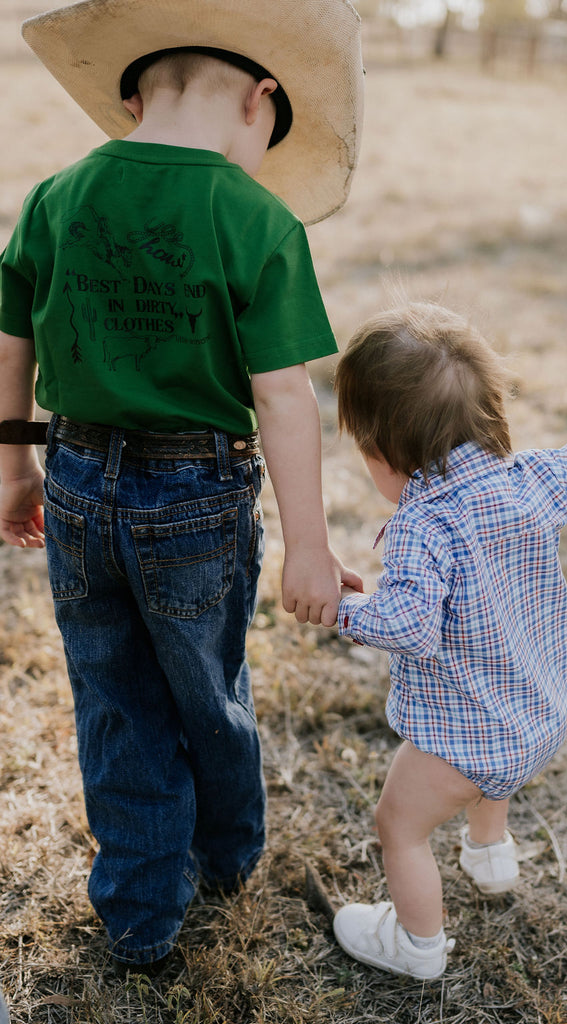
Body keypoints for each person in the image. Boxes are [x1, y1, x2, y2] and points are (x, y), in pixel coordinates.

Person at [0, 0, 363, 974]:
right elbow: (283, 398)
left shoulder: (53, 196)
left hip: (73, 477)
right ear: (260, 99)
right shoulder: (256, 217)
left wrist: (15, 462)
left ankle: (139, 912)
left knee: (112, 692)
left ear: (130, 97)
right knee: (205, 684)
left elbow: (11, 339)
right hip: (196, 493)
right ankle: (225, 852)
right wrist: (308, 545)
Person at [331, 301, 567, 979]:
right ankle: (490, 856)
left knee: (398, 827)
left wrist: (341, 611)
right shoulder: (533, 480)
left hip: (463, 743)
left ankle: (416, 945)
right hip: (536, 722)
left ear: (383, 451)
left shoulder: (422, 526)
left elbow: (408, 625)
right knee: (493, 739)